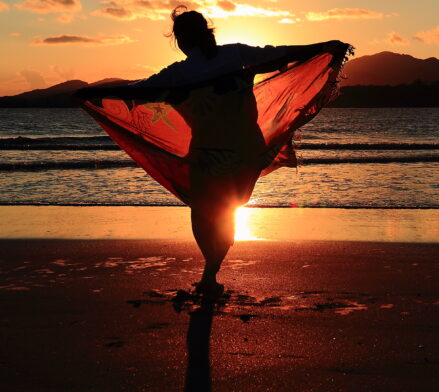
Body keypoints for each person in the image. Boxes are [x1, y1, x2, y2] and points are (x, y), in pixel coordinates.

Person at [76, 7, 350, 297]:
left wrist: (89, 95)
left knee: (204, 213)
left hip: (207, 153)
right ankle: (210, 273)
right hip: (246, 149)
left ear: (180, 40)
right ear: (208, 32)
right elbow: (281, 54)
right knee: (229, 207)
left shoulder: (179, 73)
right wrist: (322, 48)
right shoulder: (235, 54)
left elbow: (138, 91)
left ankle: (210, 271)